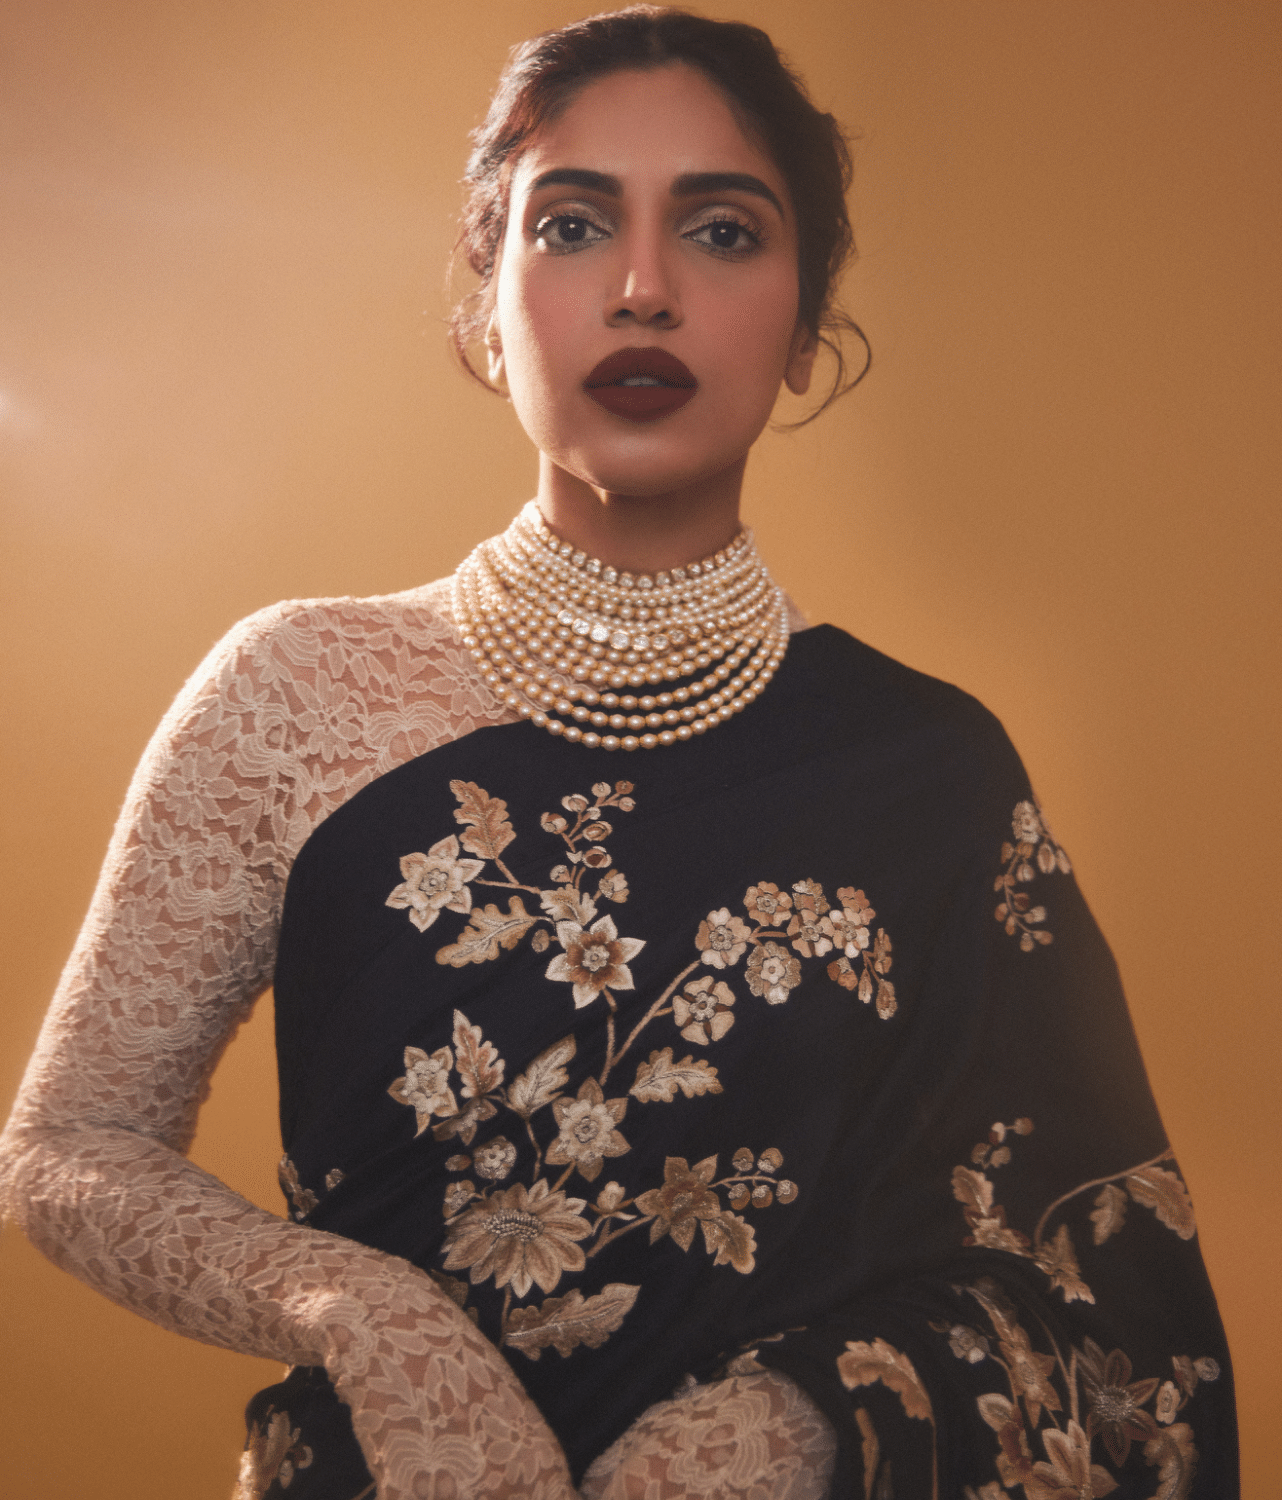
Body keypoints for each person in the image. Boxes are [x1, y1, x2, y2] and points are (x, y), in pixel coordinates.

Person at [0, 7, 1237, 1498]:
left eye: (722, 232)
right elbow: (68, 1147)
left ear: (804, 326)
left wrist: (787, 1424)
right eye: (573, 224)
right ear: (487, 303)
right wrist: (376, 1324)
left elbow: (1092, 1274)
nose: (644, 288)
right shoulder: (296, 695)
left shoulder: (931, 771)